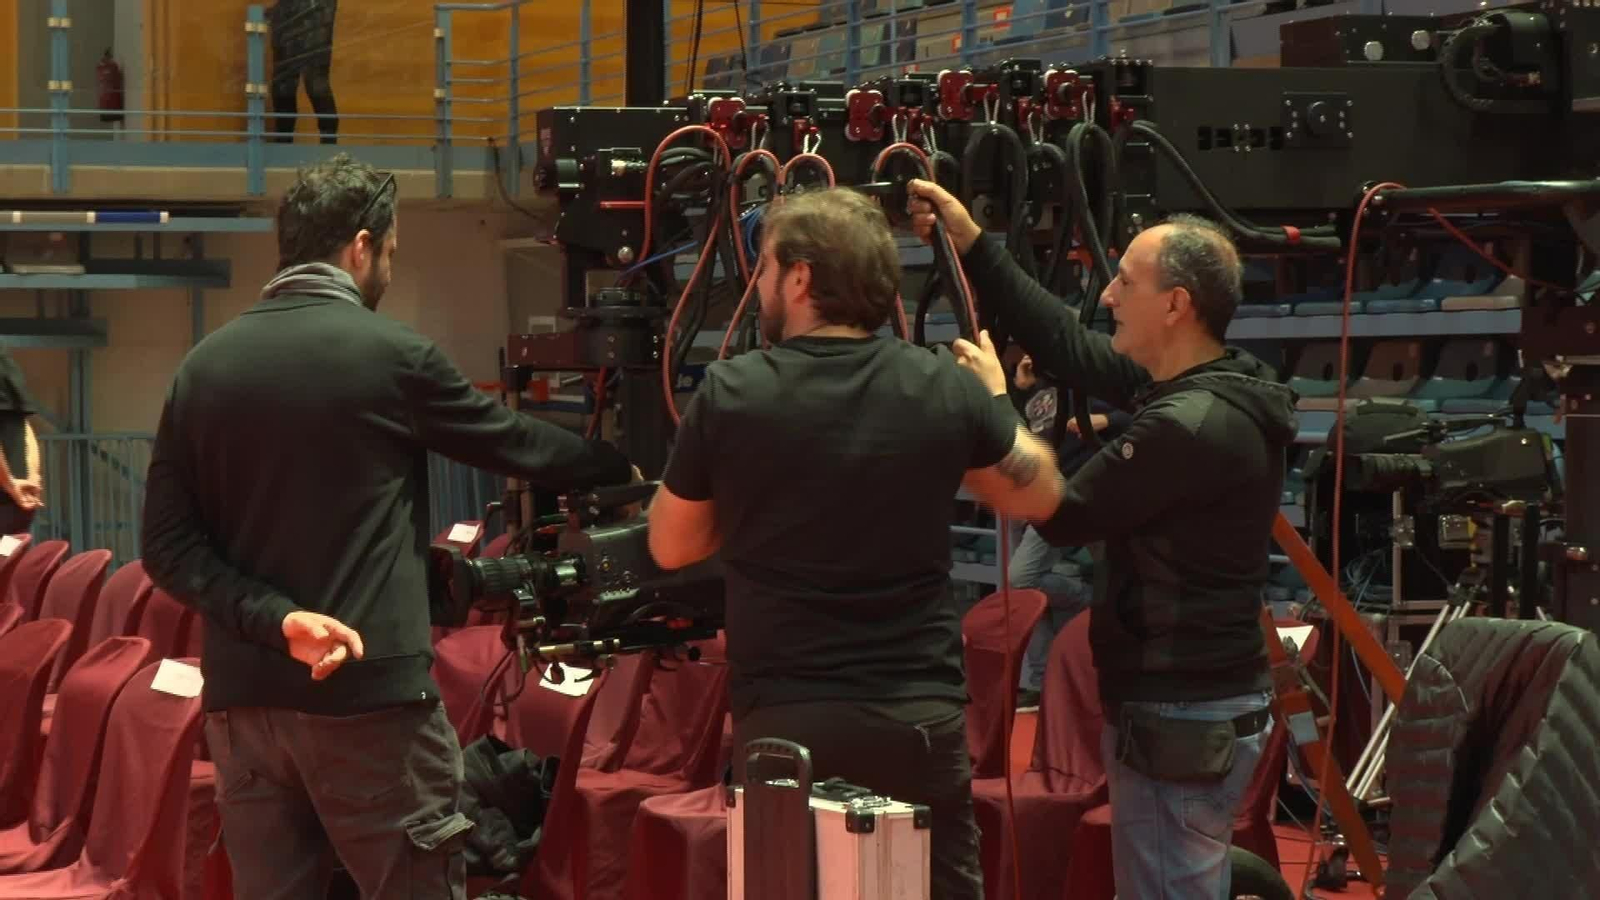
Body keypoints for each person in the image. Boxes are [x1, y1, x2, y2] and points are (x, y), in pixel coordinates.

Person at [141, 154, 637, 900]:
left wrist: (277, 623)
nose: (389, 272)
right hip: (369, 709)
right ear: (361, 246)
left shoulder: (202, 369)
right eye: (393, 252)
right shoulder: (389, 356)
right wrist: (616, 469)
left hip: (245, 708)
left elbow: (167, 549)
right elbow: (514, 443)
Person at [646, 187, 1063, 900]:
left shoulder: (732, 392)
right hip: (914, 714)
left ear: (802, 278)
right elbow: (1040, 494)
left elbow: (671, 546)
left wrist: (749, 497)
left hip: (787, 715)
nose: (762, 285)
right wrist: (994, 401)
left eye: (769, 267)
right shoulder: (939, 385)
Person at [908, 179, 1297, 900]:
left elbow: (1061, 514)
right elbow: (1068, 343)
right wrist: (972, 244)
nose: (1110, 295)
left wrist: (995, 402)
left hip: (1179, 708)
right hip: (1199, 701)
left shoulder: (1185, 425)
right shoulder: (1219, 386)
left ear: (1176, 304)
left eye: (1125, 281)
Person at [1005, 354, 1129, 709]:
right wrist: (1019, 391)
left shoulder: (1094, 383)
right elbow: (1017, 437)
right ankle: (1041, 682)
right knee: (1024, 589)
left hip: (1087, 494)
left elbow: (1143, 414)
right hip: (1044, 494)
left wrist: (1106, 419)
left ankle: (1090, 601)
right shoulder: (1036, 391)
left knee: (1023, 580)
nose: (1029, 354)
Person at [268, 0, 339, 144]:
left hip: (312, 17)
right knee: (284, 85)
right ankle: (285, 141)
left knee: (314, 82)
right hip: (293, 18)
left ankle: (328, 141)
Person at [0, 350, 43, 535]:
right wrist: (33, 477)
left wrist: (9, 483)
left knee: (5, 558)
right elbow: (25, 428)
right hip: (19, 505)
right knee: (8, 557)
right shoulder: (7, 367)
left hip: (13, 498)